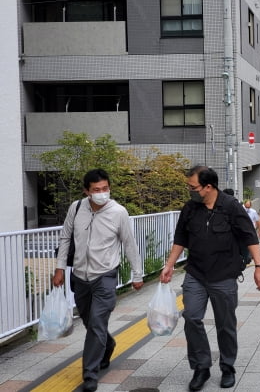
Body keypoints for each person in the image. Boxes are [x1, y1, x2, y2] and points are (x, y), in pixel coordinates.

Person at [160, 166, 260, 391]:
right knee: (191, 317)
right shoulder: (190, 208)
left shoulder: (230, 207)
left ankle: (227, 367)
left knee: (225, 324)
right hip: (196, 273)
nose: (190, 191)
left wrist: (259, 267)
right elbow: (180, 238)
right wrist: (169, 265)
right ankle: (201, 367)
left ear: (208, 187)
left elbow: (249, 236)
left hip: (224, 275)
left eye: (193, 187)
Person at [52, 168, 144, 392]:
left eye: (105, 188)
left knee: (96, 324)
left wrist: (137, 274)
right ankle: (108, 343)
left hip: (105, 276)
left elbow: (129, 243)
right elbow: (65, 238)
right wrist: (60, 268)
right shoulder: (76, 208)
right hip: (80, 277)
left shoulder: (118, 212)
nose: (102, 193)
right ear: (87, 192)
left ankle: (90, 375)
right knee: (89, 321)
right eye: (96, 190)